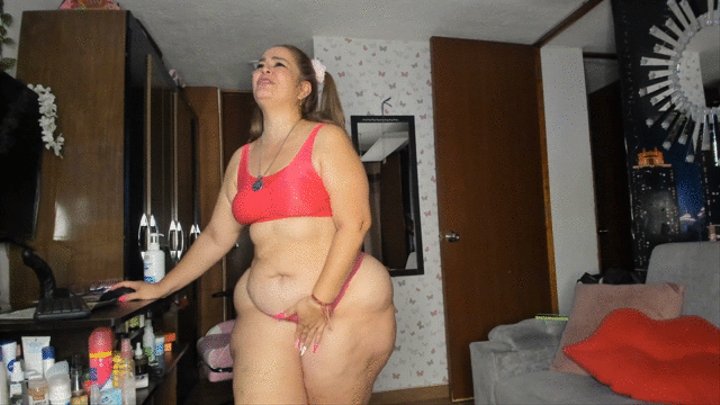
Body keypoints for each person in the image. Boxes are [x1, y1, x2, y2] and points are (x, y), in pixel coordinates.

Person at [112, 44, 397, 404]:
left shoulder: (326, 139)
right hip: (265, 312)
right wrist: (162, 287)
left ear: (303, 89)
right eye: (260, 64)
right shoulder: (241, 158)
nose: (264, 69)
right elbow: (217, 235)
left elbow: (356, 222)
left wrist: (318, 300)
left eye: (278, 64)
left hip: (338, 303)